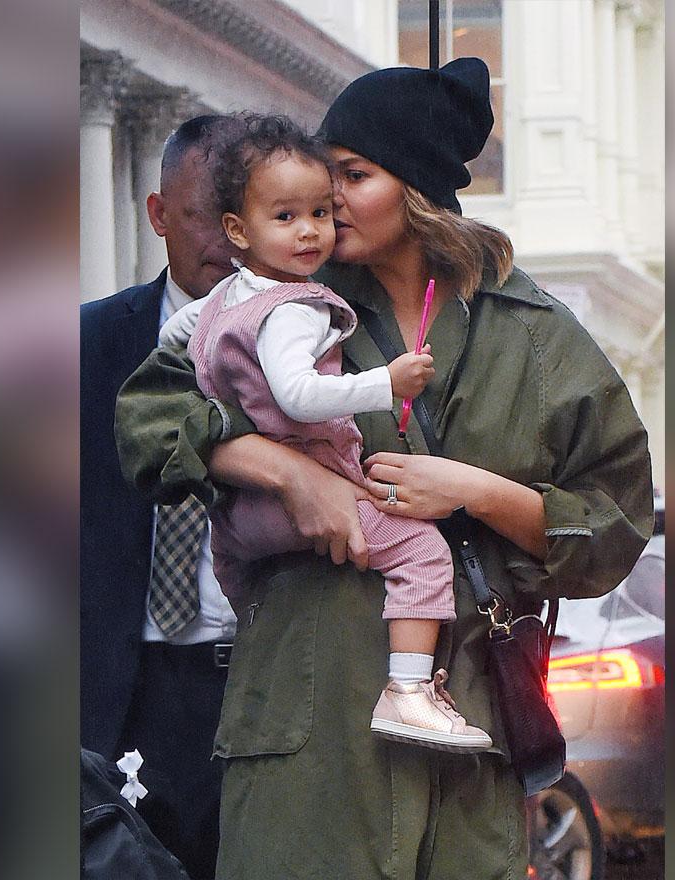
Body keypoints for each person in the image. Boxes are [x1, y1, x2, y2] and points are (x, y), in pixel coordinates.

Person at [116, 59, 653, 879]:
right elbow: (147, 421)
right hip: (304, 737)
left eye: (354, 176)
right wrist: (289, 474)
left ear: (420, 188)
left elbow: (614, 526)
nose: (326, 202)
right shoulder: (273, 298)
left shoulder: (536, 335)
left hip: (469, 743)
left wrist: (480, 493)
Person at [158, 113, 491, 752]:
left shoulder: (221, 301)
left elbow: (176, 340)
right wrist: (384, 384)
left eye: (318, 213)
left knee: (248, 599)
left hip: (237, 519)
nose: (311, 229)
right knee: (421, 550)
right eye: (286, 217)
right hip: (306, 491)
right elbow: (299, 396)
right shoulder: (297, 307)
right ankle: (410, 690)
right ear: (238, 229)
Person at [80, 114, 242, 880]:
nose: (227, 235)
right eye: (205, 213)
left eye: (243, 209)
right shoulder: (83, 346)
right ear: (158, 215)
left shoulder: (316, 343)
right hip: (122, 690)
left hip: (258, 686)